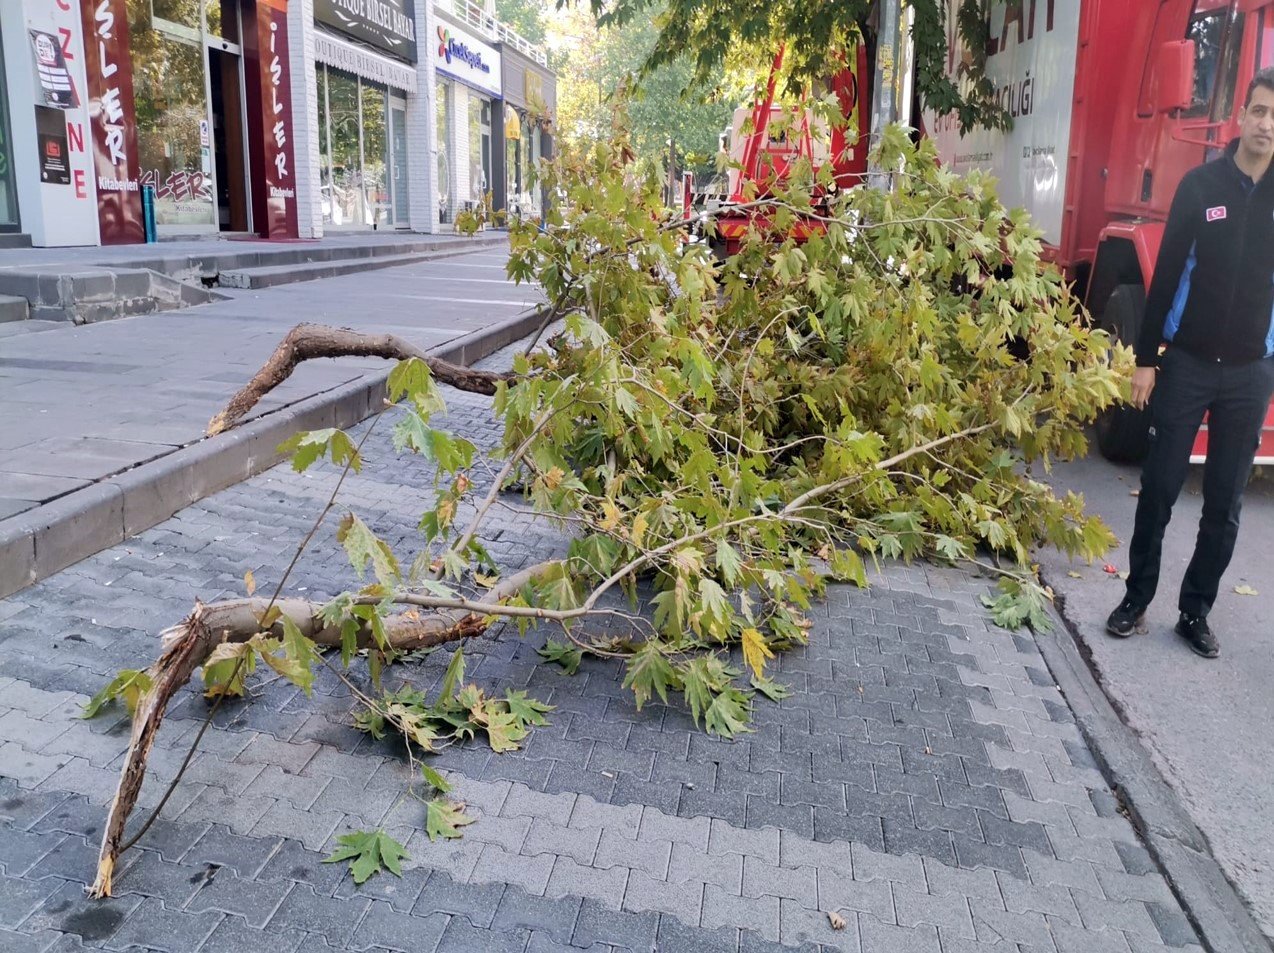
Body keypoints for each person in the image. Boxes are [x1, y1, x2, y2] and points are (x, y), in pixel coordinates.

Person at [1106, 67, 1274, 658]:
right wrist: (1146, 359)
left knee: (1226, 503)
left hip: (1251, 373)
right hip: (1189, 364)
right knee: (1159, 487)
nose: (1266, 124)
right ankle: (1136, 598)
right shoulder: (1202, 187)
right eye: (1259, 110)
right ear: (1241, 115)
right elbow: (1169, 271)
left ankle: (1194, 611)